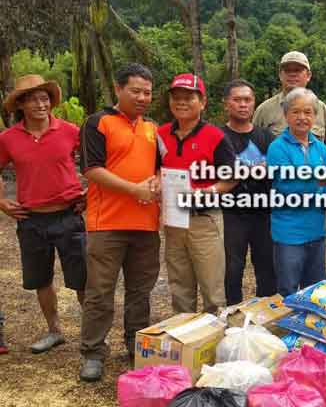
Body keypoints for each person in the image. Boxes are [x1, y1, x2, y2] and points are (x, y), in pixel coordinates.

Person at [79, 63, 160, 382]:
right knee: (100, 291)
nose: (142, 97)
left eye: (147, 92)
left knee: (141, 291)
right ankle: (93, 352)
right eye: (136, 91)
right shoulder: (98, 123)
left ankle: (135, 346)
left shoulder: (152, 128)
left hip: (146, 225)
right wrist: (134, 189)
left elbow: (158, 169)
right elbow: (92, 170)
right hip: (107, 224)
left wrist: (154, 183)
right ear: (118, 88)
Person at [0, 74, 86, 354]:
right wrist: (1, 202)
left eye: (45, 98)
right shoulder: (8, 139)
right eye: (34, 99)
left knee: (83, 278)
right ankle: (54, 331)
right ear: (21, 105)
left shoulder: (71, 131)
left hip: (69, 215)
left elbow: (95, 164)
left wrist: (90, 195)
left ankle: (92, 333)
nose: (41, 104)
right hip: (31, 220)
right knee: (41, 279)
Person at [157, 73, 236, 314]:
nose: (181, 102)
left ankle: (213, 344)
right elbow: (154, 171)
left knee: (212, 290)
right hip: (173, 220)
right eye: (176, 97)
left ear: (202, 102)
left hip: (204, 219)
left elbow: (232, 177)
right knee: (180, 287)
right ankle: (186, 343)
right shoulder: (160, 135)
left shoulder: (215, 136)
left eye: (189, 97)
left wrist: (207, 191)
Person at [266, 88, 326, 296]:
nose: (302, 117)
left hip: (317, 231)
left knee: (315, 291)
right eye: (295, 112)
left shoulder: (320, 148)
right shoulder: (277, 148)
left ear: (314, 116)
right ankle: (289, 329)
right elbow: (289, 189)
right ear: (286, 115)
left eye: (307, 112)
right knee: (288, 290)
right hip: (288, 232)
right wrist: (318, 185)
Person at [221, 79, 277, 305]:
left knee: (267, 267)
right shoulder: (217, 136)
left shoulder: (266, 137)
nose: (243, 104)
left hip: (264, 213)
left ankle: (266, 316)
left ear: (254, 103)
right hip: (231, 213)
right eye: (237, 100)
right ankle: (232, 315)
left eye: (247, 99)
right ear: (226, 104)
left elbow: (278, 171)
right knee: (232, 269)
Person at [253, 51, 326, 147]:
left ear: (308, 75)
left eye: (297, 70)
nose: (292, 74)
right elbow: (254, 146)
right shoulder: (264, 110)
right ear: (280, 75)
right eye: (287, 70)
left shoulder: (322, 109)